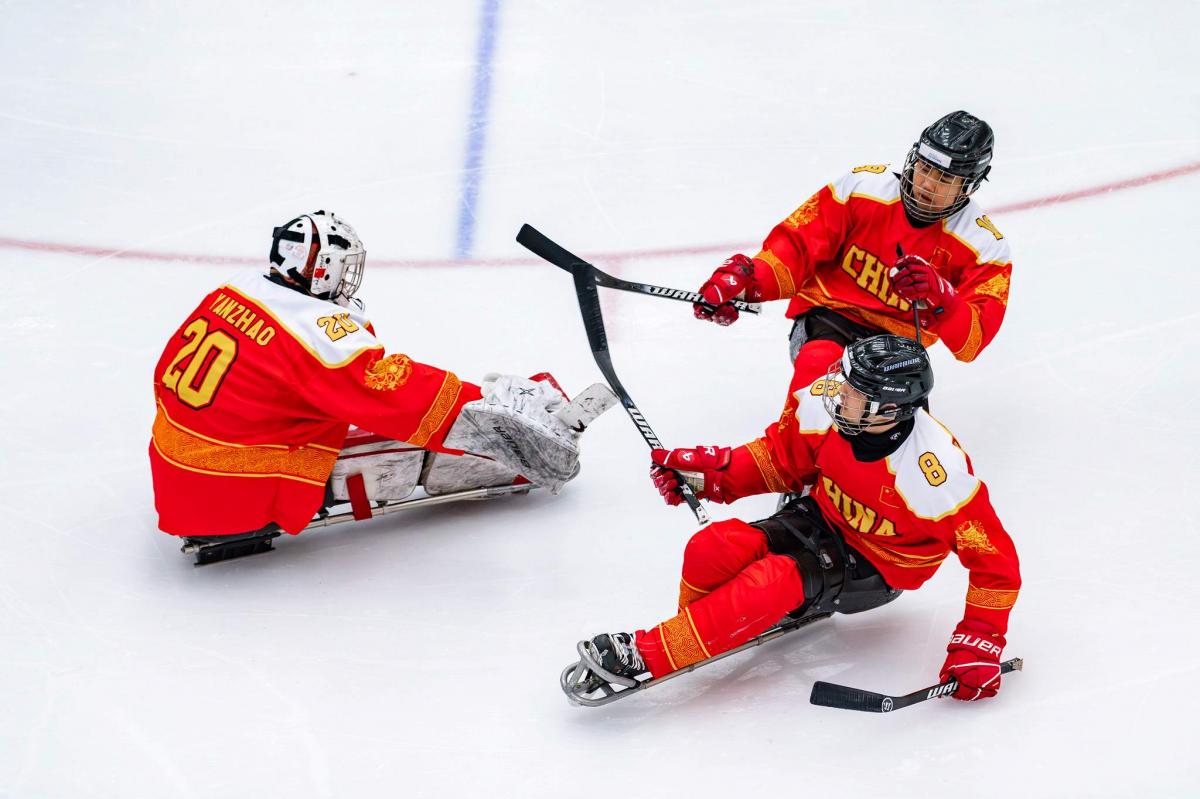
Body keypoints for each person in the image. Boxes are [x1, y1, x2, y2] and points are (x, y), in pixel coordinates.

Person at [574, 335, 1020, 702]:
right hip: (820, 517)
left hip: (879, 568)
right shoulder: (832, 408)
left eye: (853, 395)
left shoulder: (933, 472)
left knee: (774, 580)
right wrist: (710, 476)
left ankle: (649, 653)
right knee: (714, 546)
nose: (837, 396)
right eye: (843, 385)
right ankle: (698, 630)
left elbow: (995, 565)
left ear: (891, 409)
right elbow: (781, 459)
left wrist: (980, 640)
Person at [149, 210, 611, 563]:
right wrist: (496, 412)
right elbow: (398, 393)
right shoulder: (313, 335)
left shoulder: (238, 290)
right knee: (400, 434)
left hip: (180, 467)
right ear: (324, 268)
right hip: (231, 491)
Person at [691, 110, 1012, 413]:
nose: (927, 183)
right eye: (925, 168)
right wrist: (750, 283)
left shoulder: (984, 246)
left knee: (892, 438)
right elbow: (798, 247)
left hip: (895, 353)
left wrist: (940, 295)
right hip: (828, 319)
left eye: (943, 178)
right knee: (821, 368)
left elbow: (972, 342)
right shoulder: (862, 188)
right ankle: (792, 457)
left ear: (968, 185)